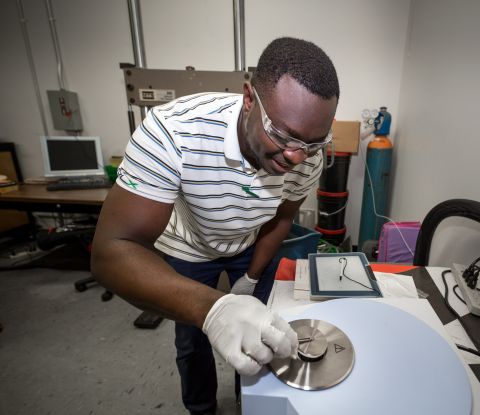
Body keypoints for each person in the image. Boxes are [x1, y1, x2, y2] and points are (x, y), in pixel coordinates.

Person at [91, 37, 339, 415]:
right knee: (193, 340)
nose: (296, 156)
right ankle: (201, 408)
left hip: (250, 245)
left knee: (263, 334)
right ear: (249, 99)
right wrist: (212, 309)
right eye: (283, 135)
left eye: (313, 143)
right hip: (188, 249)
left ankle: (248, 401)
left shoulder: (305, 154)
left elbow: (283, 217)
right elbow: (113, 251)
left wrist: (252, 277)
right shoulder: (173, 131)